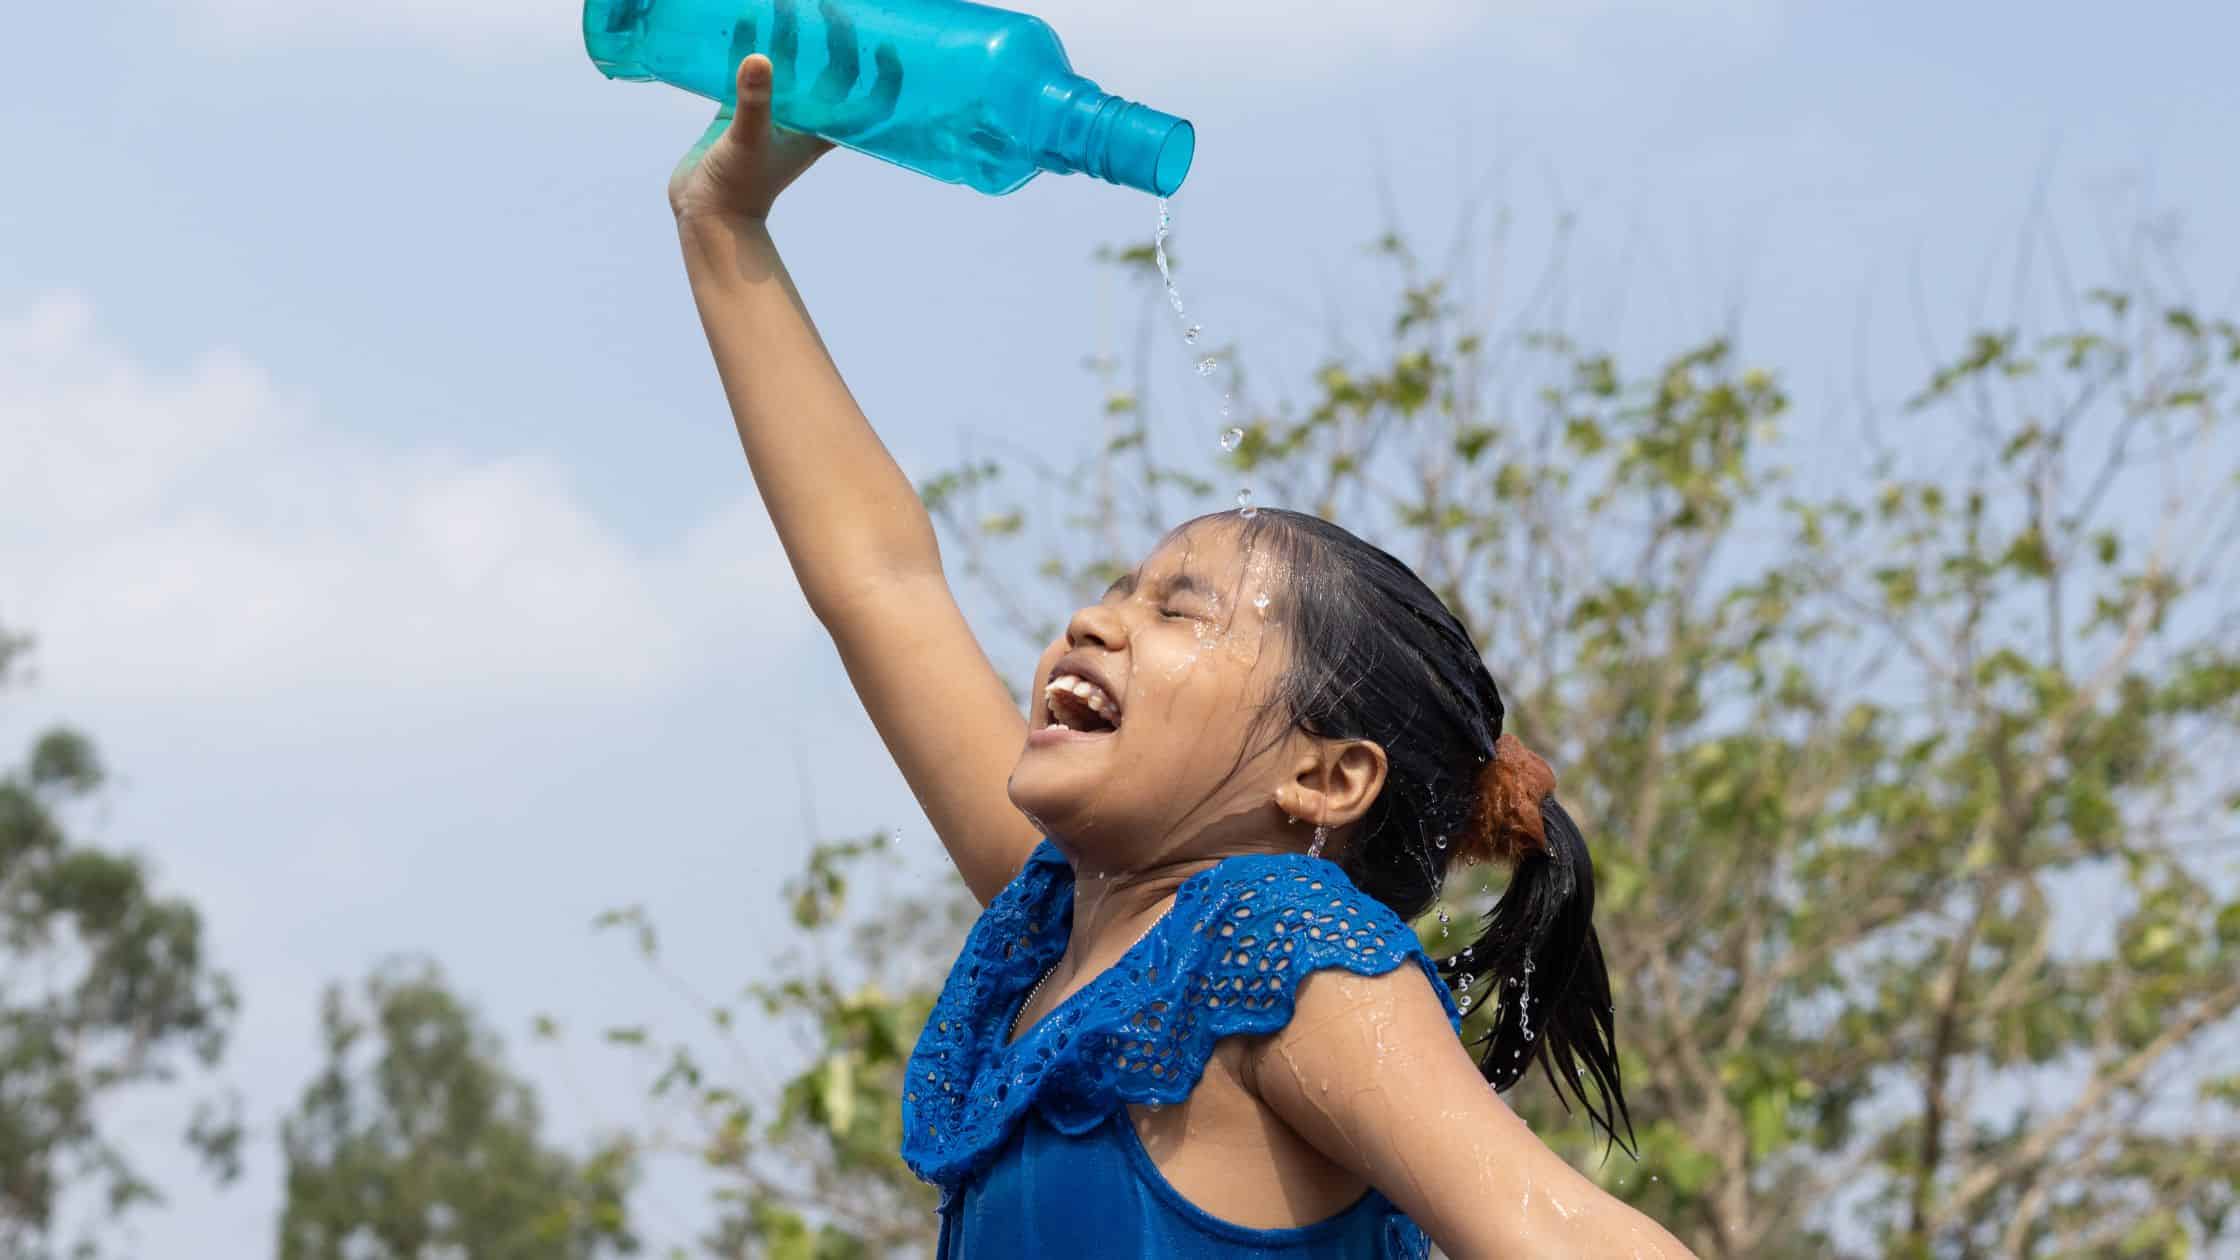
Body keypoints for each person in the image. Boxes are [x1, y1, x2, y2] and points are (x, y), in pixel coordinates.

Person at [667, 52, 1698, 1260]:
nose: (1095, 621)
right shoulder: (1063, 921)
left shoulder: (1281, 947)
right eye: (1114, 592)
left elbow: (1571, 1238)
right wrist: (722, 220)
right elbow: (877, 582)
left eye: (1179, 611)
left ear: (1323, 779)